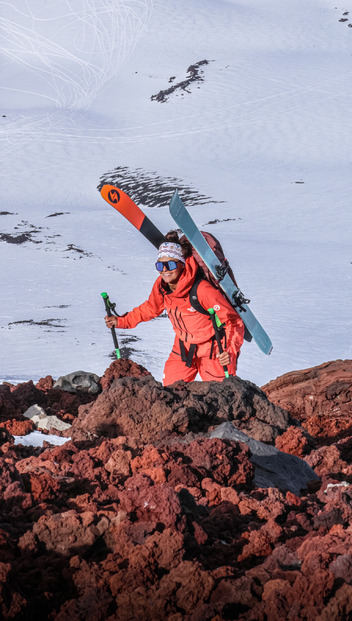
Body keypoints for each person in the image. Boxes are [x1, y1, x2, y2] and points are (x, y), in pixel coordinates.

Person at [105, 231, 244, 385]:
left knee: (220, 396)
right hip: (183, 348)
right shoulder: (162, 286)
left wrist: (229, 351)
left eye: (170, 264)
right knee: (170, 393)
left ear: (181, 264)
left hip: (214, 349)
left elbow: (233, 321)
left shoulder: (202, 290)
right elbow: (150, 308)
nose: (164, 270)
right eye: (160, 265)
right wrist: (122, 321)